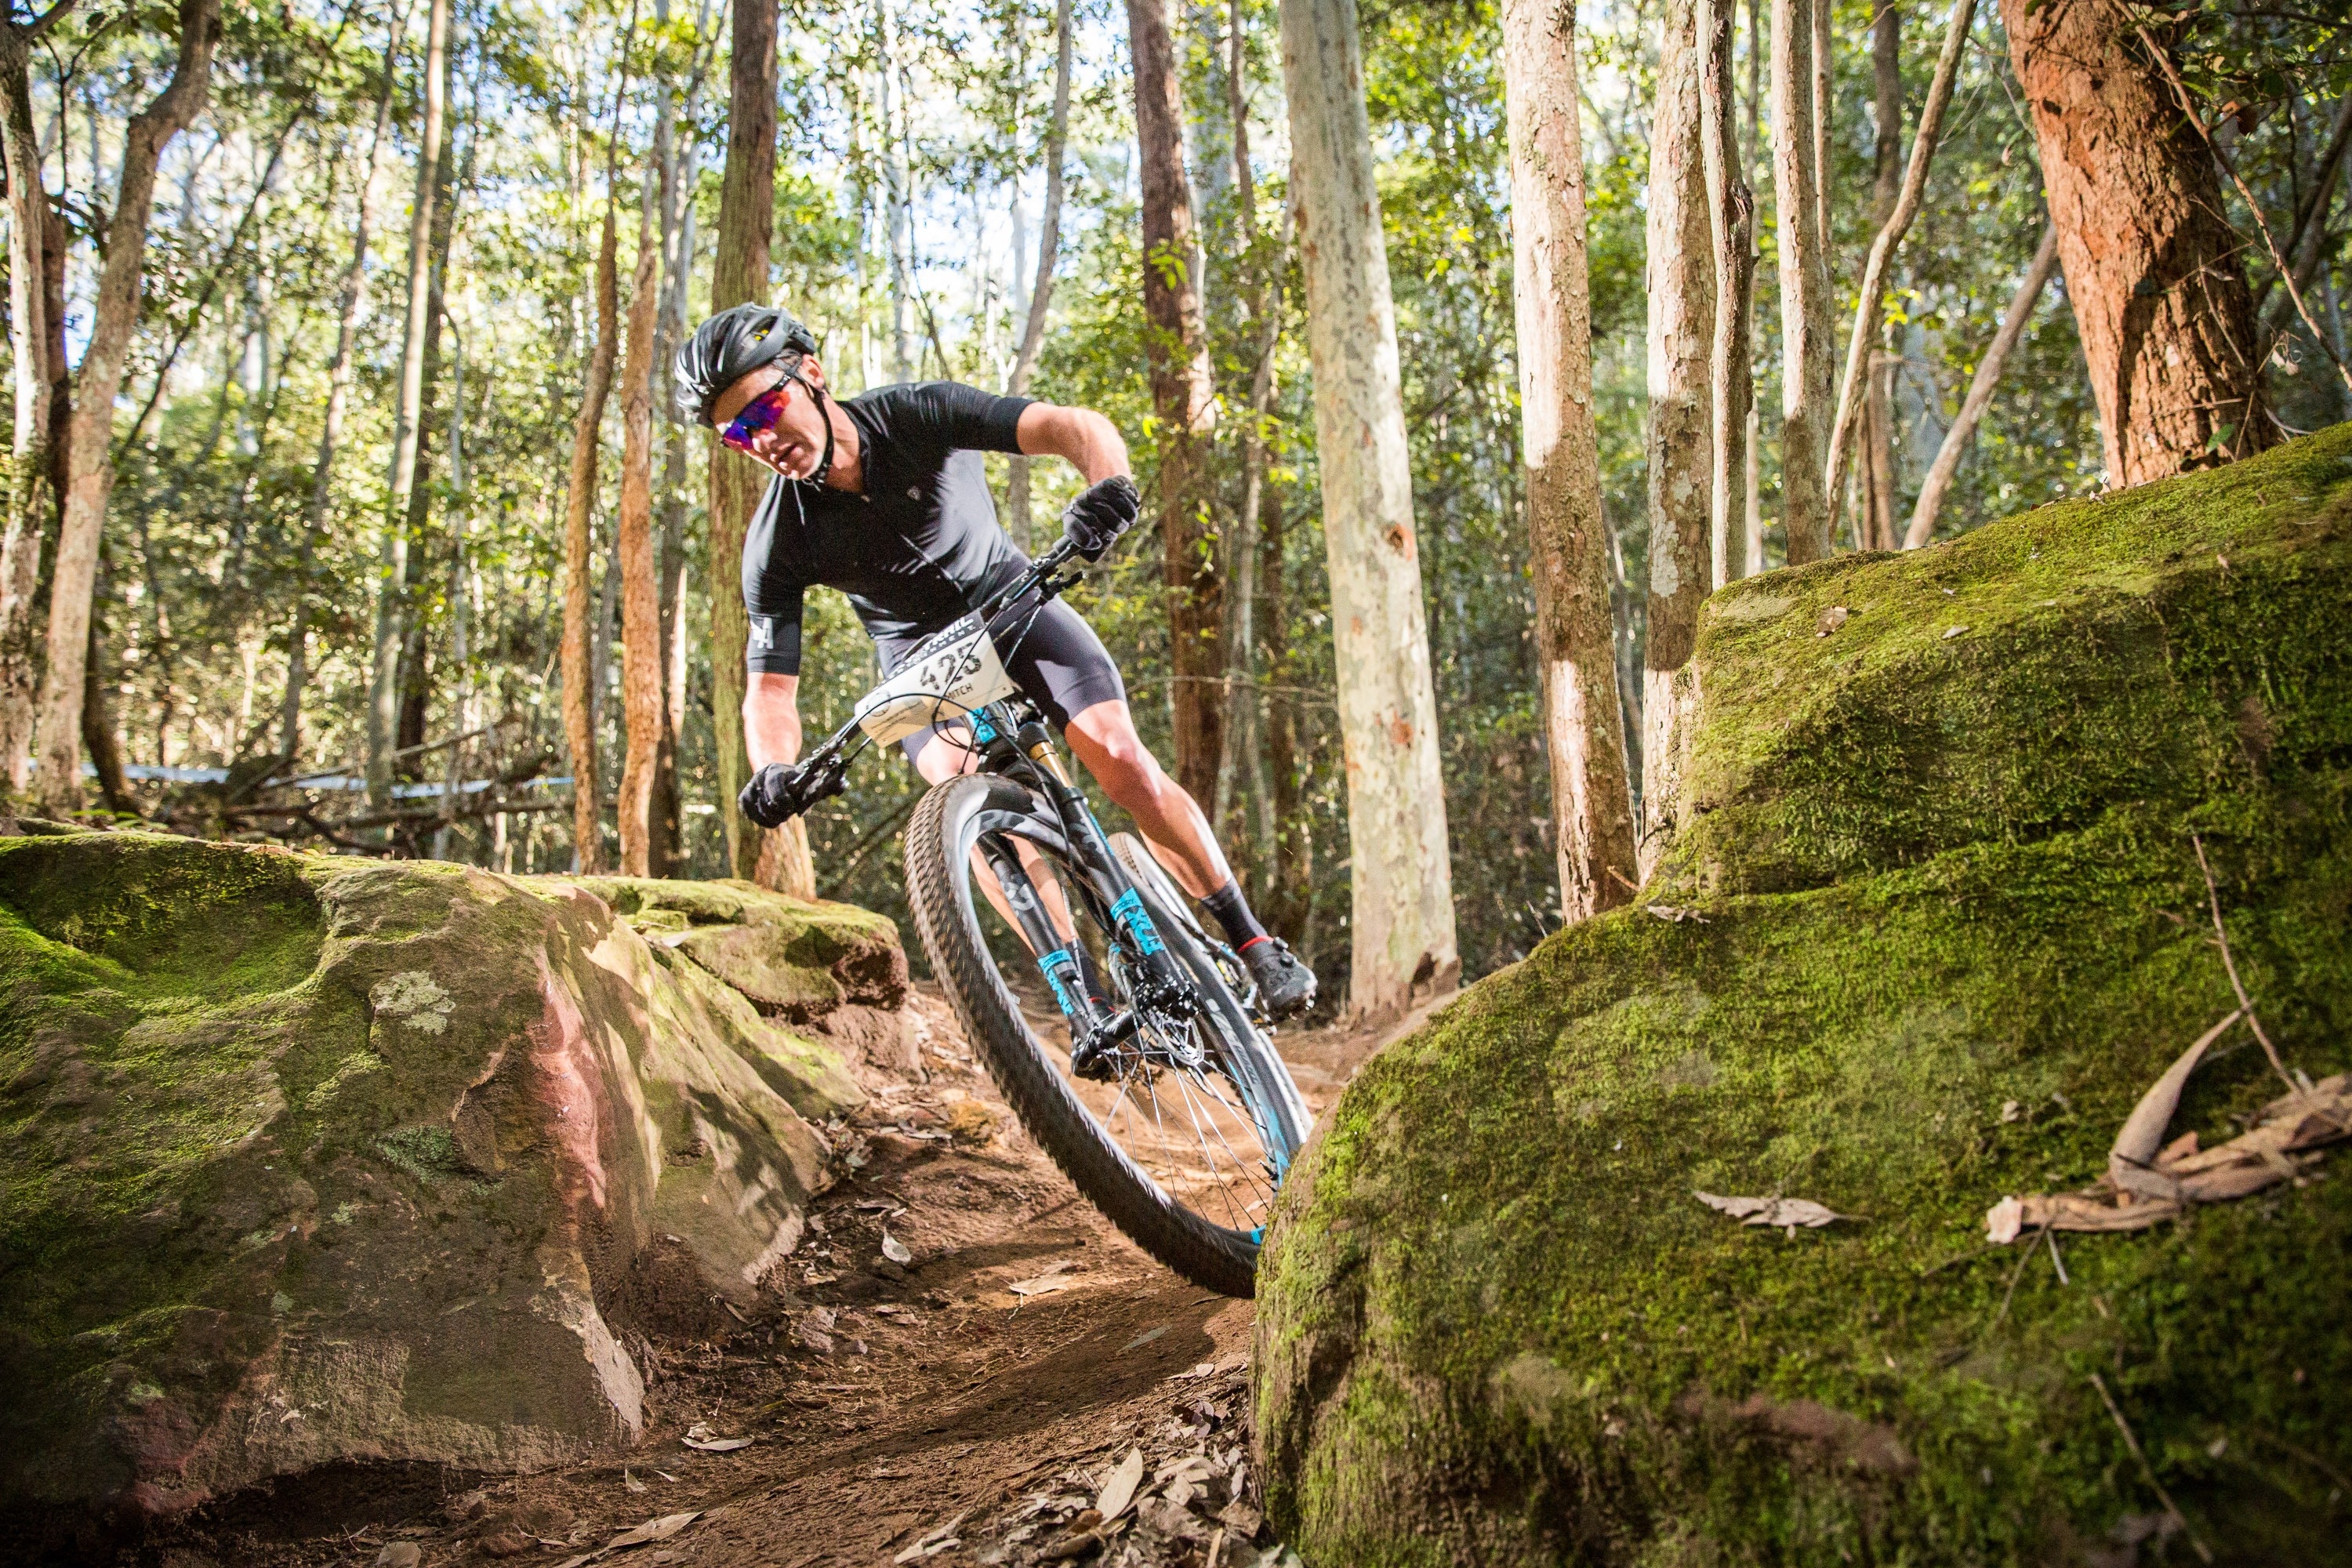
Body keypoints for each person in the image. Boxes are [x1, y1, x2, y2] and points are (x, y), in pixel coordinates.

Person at [673, 303, 1316, 1019]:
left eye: (766, 406)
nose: (760, 437)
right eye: (738, 430)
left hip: (1018, 606)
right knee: (966, 797)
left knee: (1120, 756)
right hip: (919, 661)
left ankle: (1254, 941)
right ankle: (1085, 996)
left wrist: (1108, 483)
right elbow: (768, 691)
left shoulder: (918, 413)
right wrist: (772, 770)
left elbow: (1073, 426)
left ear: (812, 374)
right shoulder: (775, 541)